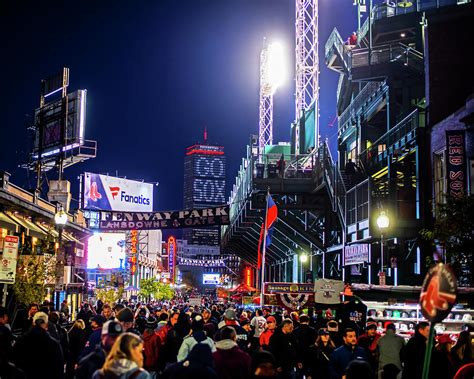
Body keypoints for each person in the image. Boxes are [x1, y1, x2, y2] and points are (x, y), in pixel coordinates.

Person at [13, 312, 64, 379]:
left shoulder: (20, 342)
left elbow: (15, 363)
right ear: (46, 325)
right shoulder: (54, 344)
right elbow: (59, 370)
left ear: (33, 322)